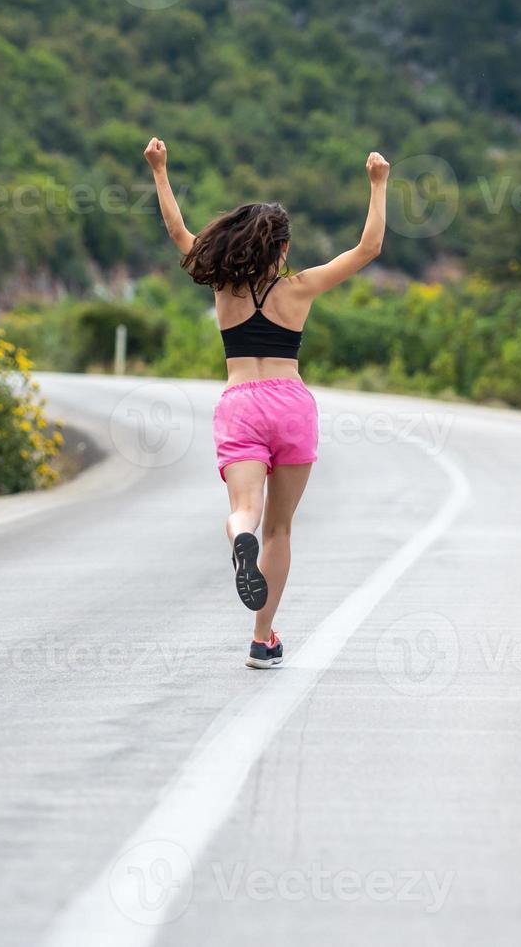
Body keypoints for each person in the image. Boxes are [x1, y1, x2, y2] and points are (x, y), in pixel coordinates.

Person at [143, 137, 390, 668]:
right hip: (291, 404)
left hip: (241, 405)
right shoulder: (299, 288)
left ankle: (240, 538)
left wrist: (160, 171)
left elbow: (178, 232)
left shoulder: (223, 288)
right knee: (281, 528)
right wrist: (377, 184)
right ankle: (263, 638)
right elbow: (367, 248)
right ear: (281, 249)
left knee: (246, 512)